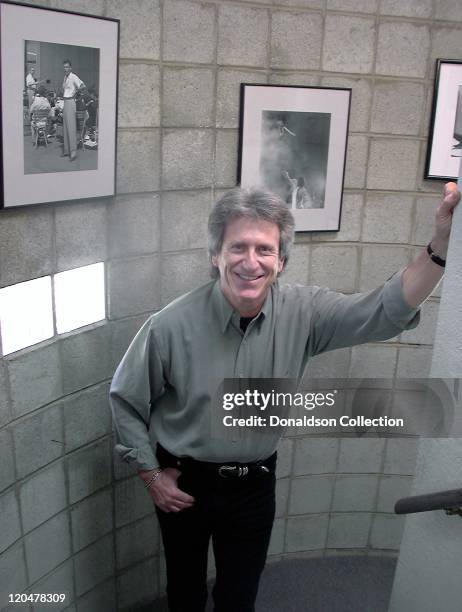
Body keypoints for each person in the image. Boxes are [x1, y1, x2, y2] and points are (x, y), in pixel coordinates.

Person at [110, 183, 460, 612]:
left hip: (254, 485)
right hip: (185, 481)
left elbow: (384, 311)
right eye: (238, 247)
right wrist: (150, 475)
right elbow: (126, 399)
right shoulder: (168, 325)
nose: (250, 262)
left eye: (265, 249)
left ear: (281, 261)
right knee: (184, 590)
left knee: (239, 595)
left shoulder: (306, 312)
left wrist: (441, 245)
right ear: (215, 255)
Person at [61, 59, 85, 162]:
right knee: (65, 127)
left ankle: (73, 152)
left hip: (71, 102)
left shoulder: (73, 76)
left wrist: (76, 93)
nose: (65, 69)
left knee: (71, 127)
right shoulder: (65, 77)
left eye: (67, 67)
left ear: (70, 68)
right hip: (65, 102)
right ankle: (67, 151)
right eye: (64, 67)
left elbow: (83, 86)